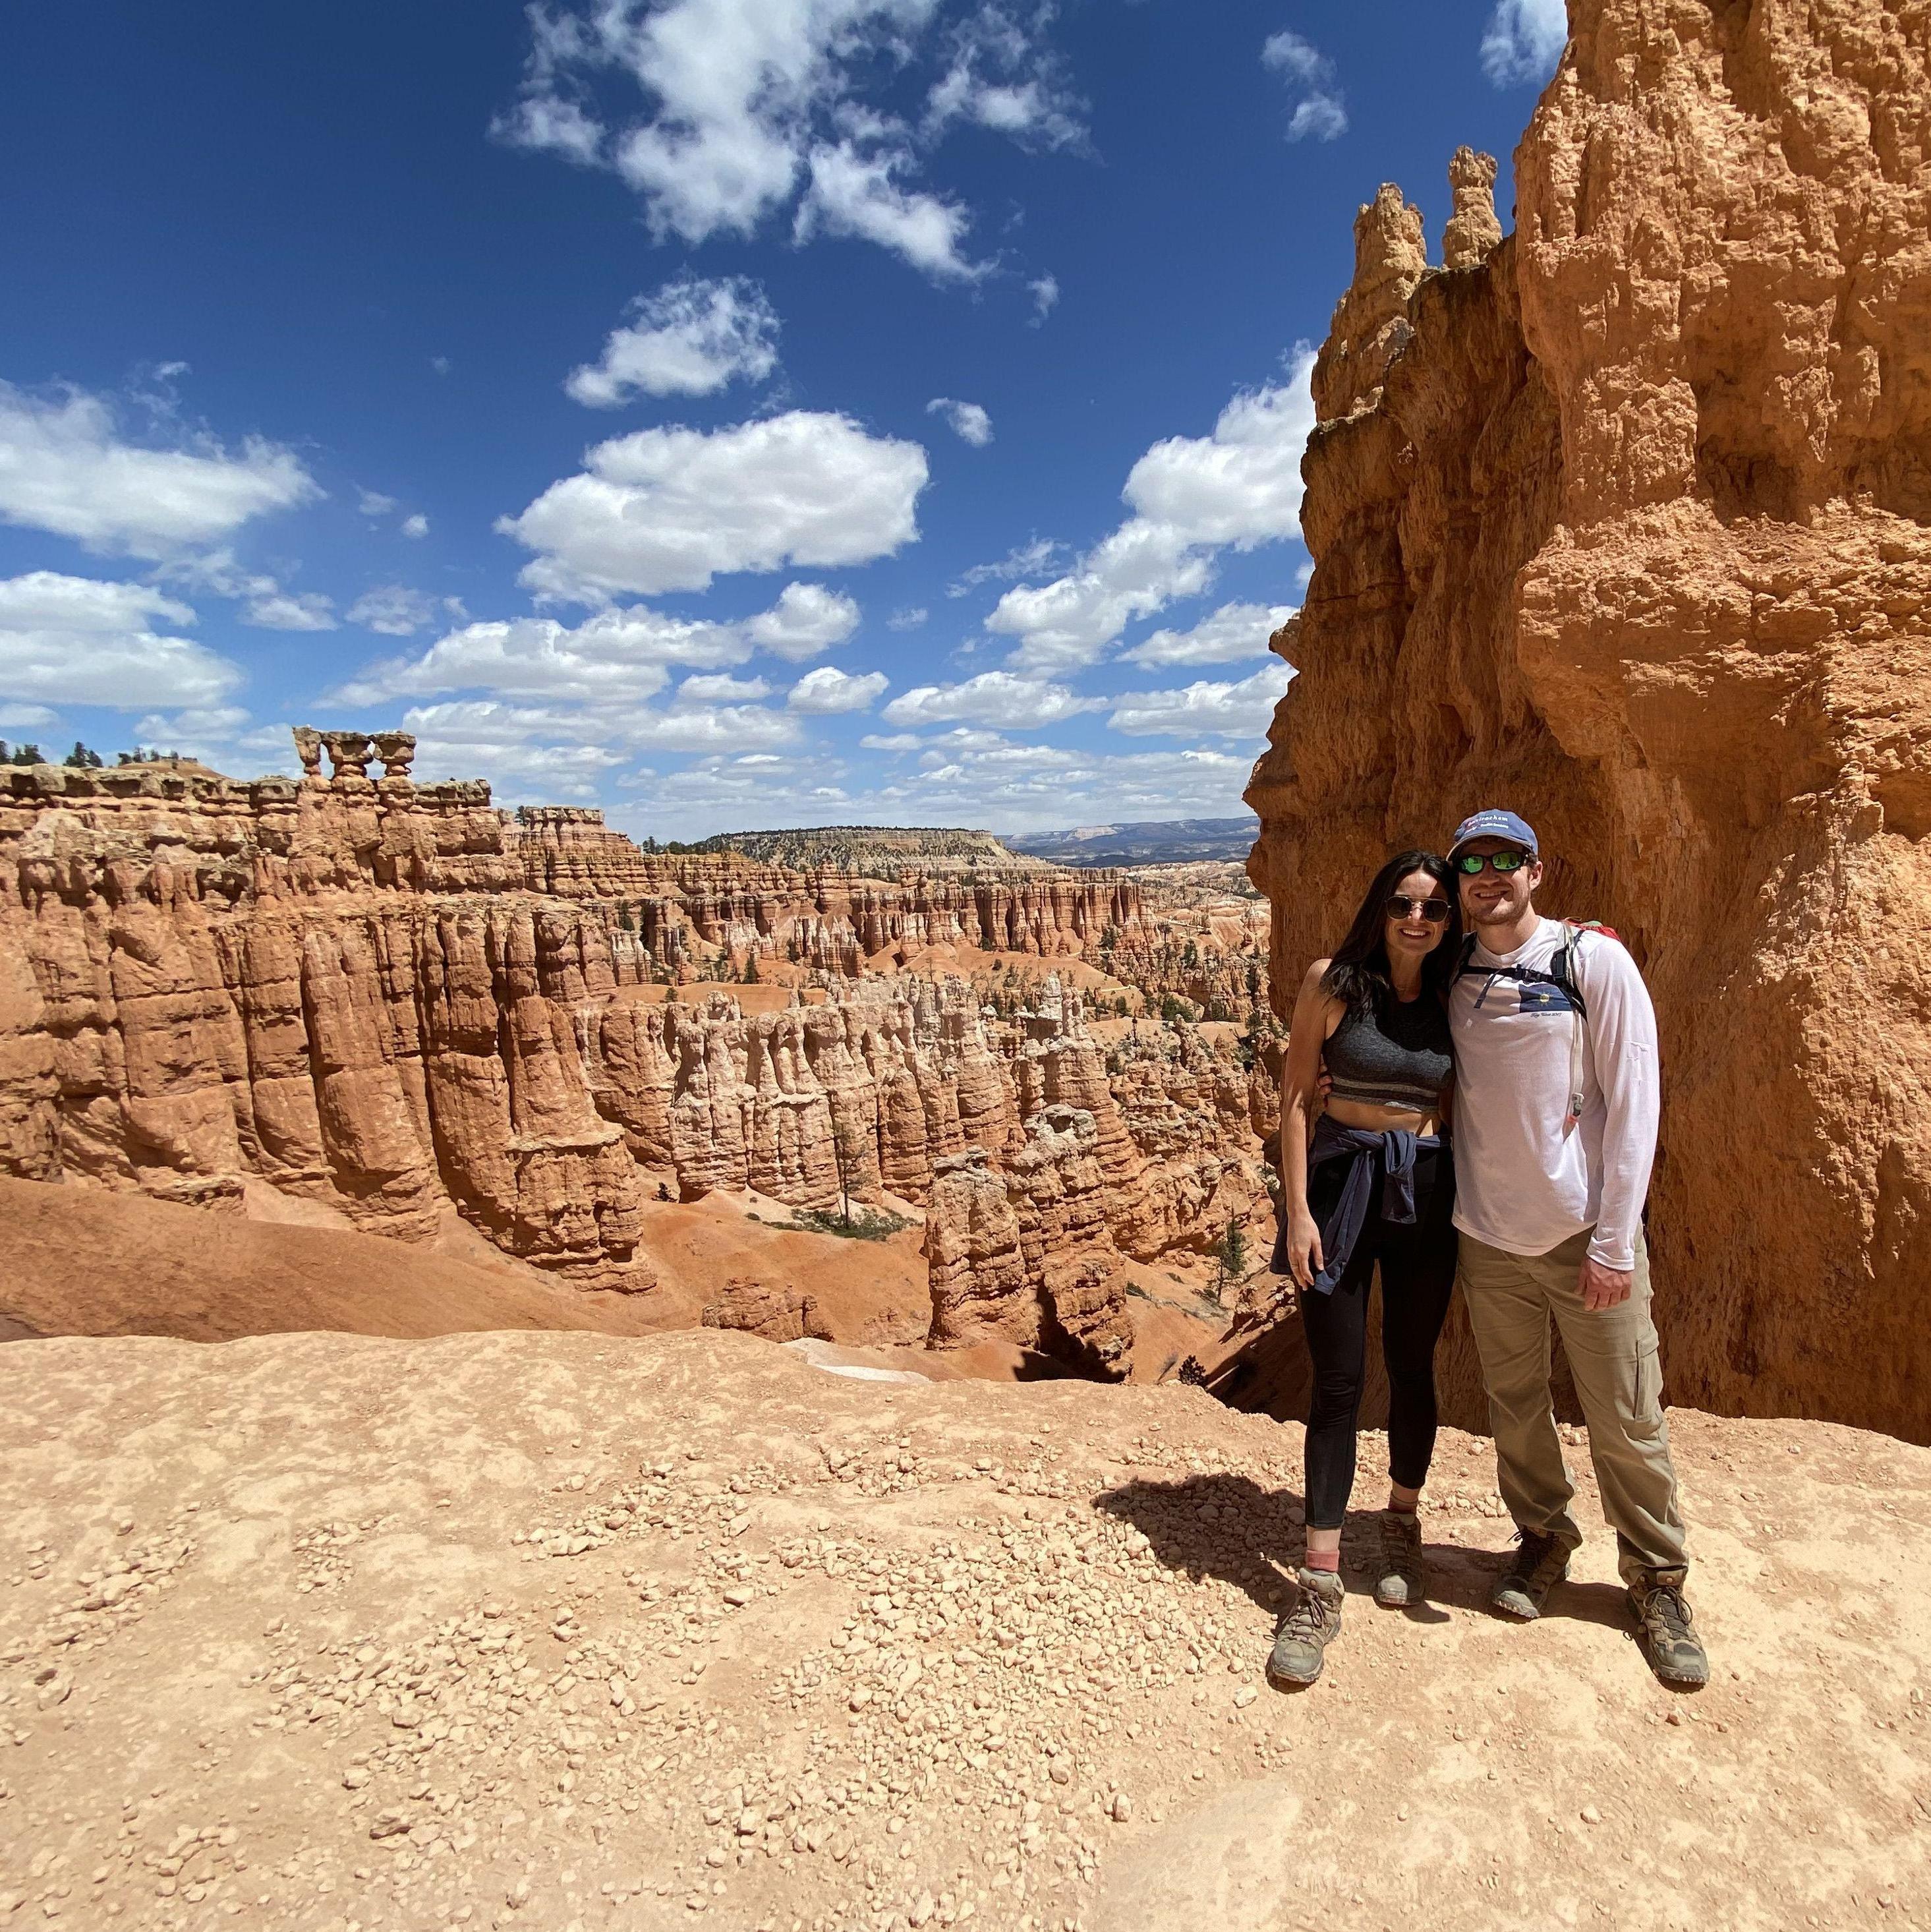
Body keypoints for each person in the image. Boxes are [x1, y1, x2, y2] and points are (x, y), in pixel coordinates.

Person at [1444, 808, 1708, 1687]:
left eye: (1505, 859)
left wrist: (1612, 1242)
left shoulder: (1588, 959)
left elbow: (1636, 1105)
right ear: (1456, 879)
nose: (1489, 874)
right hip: (1487, 1236)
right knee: (1513, 1404)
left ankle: (1657, 1580)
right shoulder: (1454, 969)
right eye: (1472, 861)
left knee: (1625, 1413)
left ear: (1536, 870)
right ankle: (1543, 1538)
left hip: (1581, 1236)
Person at [1265, 851, 1460, 1688]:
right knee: (1338, 1384)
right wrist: (1298, 1211)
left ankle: (1400, 1528)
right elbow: (1295, 1097)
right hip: (1341, 1182)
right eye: (1402, 903)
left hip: (1424, 1187)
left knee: (1411, 1367)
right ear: (1379, 908)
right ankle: (1316, 1580)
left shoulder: (1458, 993)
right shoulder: (1333, 981)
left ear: (1448, 921)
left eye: (1433, 908)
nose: (1417, 918)